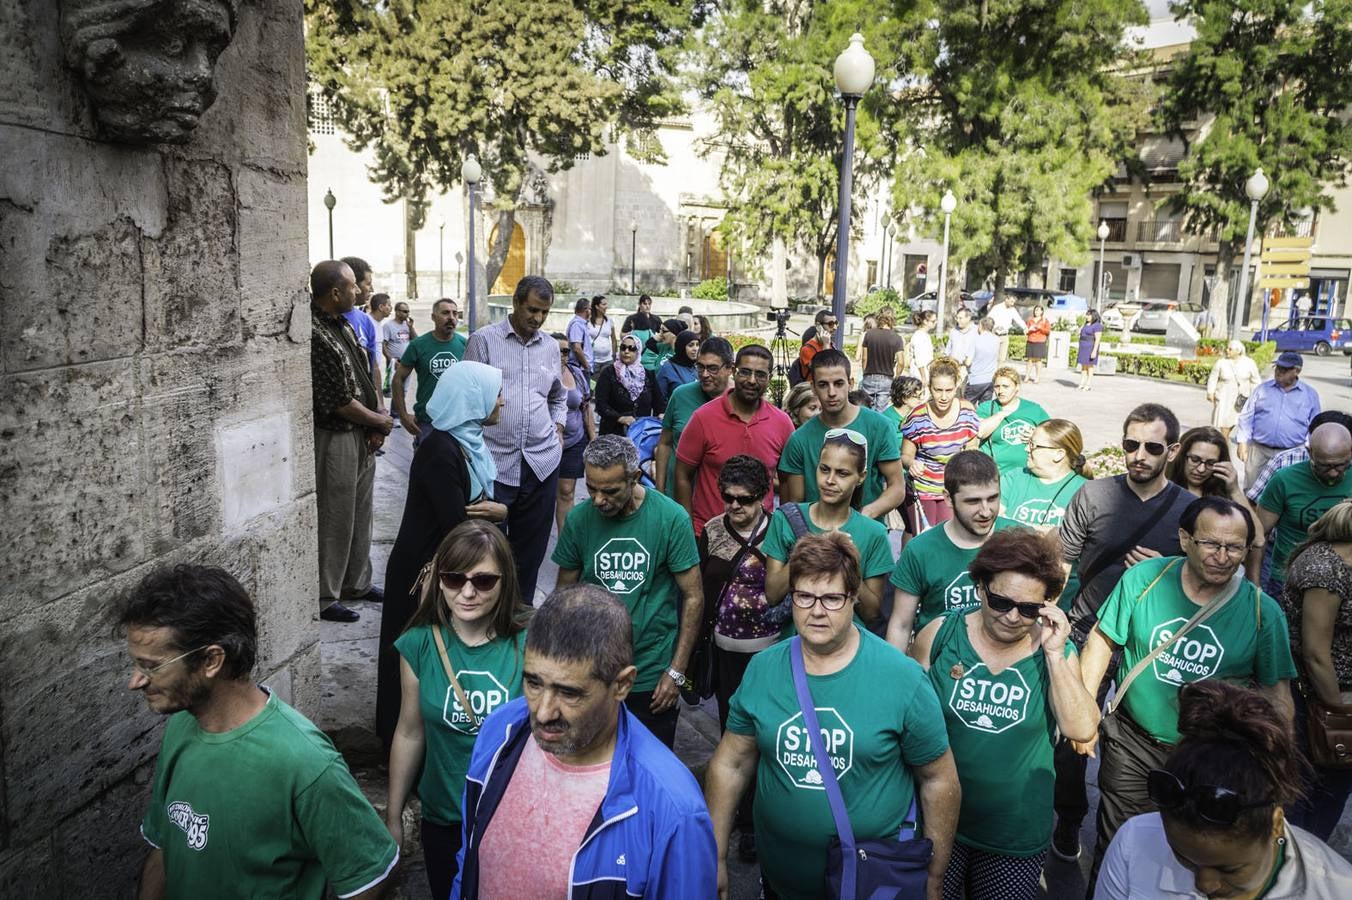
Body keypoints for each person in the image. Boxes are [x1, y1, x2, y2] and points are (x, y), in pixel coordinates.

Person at [704, 533, 962, 900]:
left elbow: (939, 780)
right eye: (804, 596)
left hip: (871, 885)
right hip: (779, 882)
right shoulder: (762, 669)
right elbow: (731, 764)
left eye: (832, 598)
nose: (817, 610)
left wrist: (934, 876)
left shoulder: (902, 678)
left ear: (854, 598)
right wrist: (714, 856)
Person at [123, 565, 398, 899]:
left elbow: (370, 877)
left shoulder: (305, 762)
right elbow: (165, 846)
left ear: (212, 660)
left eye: (152, 666)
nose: (135, 681)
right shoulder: (181, 726)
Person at [1078, 496, 1297, 887]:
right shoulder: (1144, 580)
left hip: (1211, 757)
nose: (1223, 557)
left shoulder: (1264, 613)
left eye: (1235, 548)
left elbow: (1277, 694)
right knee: (1119, 841)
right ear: (1184, 539)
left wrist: (1272, 767)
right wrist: (1084, 716)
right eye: (1211, 544)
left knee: (1195, 856)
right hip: (1133, 743)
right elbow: (1102, 642)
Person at [452, 584, 717, 898]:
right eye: (533, 683)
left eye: (569, 693)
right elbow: (467, 861)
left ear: (622, 684)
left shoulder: (674, 810)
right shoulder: (500, 731)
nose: (543, 712)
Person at [910, 529, 1100, 900]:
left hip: (1014, 837)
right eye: (1001, 602)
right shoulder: (940, 634)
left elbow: (1081, 728)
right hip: (939, 823)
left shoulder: (1054, 653)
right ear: (980, 587)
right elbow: (908, 724)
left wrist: (1056, 655)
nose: (1013, 617)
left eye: (1029, 609)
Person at [1049, 403, 1199, 860]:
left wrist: (1163, 568)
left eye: (1153, 447)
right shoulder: (1093, 496)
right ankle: (1071, 819)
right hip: (1087, 630)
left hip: (1150, 644)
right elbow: (1060, 566)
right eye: (1131, 444)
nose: (1140, 455)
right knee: (1073, 733)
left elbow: (1208, 574)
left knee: (1143, 738)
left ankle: (1144, 832)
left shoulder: (1190, 511)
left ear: (1171, 451)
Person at [1096, 680, 1352, 900]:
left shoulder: (1334, 890)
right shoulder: (1134, 843)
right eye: (1183, 858)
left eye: (1230, 869)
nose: (1204, 884)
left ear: (1276, 823)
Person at [386, 522, 528, 898]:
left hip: (510, 816)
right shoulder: (418, 644)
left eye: (483, 581)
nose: (466, 592)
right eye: (453, 579)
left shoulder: (528, 644)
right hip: (444, 817)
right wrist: (394, 814)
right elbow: (409, 731)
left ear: (505, 581)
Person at [377, 362, 507, 747]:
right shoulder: (440, 449)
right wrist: (498, 513)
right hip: (423, 572)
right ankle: (400, 750)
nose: (501, 401)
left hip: (446, 569)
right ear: (471, 398)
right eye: (494, 392)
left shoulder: (466, 443)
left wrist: (495, 511)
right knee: (414, 662)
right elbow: (455, 521)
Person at [553, 436, 703, 748]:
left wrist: (676, 672)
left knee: (647, 774)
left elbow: (693, 597)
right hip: (591, 673)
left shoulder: (671, 519)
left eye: (609, 490)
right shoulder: (580, 520)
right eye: (591, 488)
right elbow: (563, 597)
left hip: (650, 675)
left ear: (634, 477)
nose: (597, 500)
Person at [464, 275, 567, 607]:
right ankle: (487, 612)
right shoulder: (483, 341)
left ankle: (519, 615)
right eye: (532, 310)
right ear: (516, 303)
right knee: (487, 548)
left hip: (541, 463)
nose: (537, 319)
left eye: (544, 313)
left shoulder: (550, 347)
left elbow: (558, 397)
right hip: (493, 464)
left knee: (531, 551)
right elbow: (466, 398)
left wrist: (559, 427)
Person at [698, 455, 777, 863]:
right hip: (724, 651)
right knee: (733, 736)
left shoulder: (781, 532)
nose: (734, 507)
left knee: (766, 739)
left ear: (763, 497)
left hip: (770, 655)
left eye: (744, 500)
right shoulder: (712, 531)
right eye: (728, 498)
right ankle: (741, 820)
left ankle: (760, 820)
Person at [309, 260, 391, 624]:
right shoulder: (316, 333)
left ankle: (356, 582)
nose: (361, 291)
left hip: (362, 434)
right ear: (336, 292)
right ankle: (327, 596)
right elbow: (339, 400)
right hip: (337, 436)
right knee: (337, 516)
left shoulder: (343, 322)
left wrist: (377, 420)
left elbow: (368, 370)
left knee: (361, 512)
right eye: (355, 287)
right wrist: (380, 421)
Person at [764, 428, 898, 625]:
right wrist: (810, 548)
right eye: (824, 469)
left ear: (861, 477)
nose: (830, 480)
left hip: (849, 646)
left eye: (842, 473)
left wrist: (846, 560)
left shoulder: (874, 533)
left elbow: (871, 612)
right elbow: (773, 594)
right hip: (798, 643)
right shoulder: (785, 519)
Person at [887, 451, 1018, 645]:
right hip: (938, 662)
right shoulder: (920, 550)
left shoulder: (1019, 540)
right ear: (948, 499)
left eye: (992, 498)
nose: (985, 511)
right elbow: (901, 625)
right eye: (973, 501)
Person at [1282, 500, 1352, 840]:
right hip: (1317, 703)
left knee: (1332, 791)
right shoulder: (1325, 570)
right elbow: (1315, 654)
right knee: (1306, 794)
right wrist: (1340, 712)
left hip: (1335, 704)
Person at [675, 344, 794, 534]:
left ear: (769, 378)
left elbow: (788, 481)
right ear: (734, 371)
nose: (752, 380)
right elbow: (682, 474)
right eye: (745, 372)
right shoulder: (703, 418)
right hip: (708, 533)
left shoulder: (782, 423)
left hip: (761, 537)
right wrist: (687, 529)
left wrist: (784, 530)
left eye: (760, 374)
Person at [779, 349, 906, 523]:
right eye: (823, 385)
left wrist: (864, 517)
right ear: (813, 387)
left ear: (851, 383)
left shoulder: (880, 426)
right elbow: (795, 505)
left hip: (866, 536)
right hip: (816, 541)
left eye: (838, 383)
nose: (831, 392)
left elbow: (897, 487)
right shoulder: (799, 439)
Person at [1257, 421, 1352, 598]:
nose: (1333, 473)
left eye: (1341, 465)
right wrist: (1254, 585)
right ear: (1309, 453)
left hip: (1345, 579)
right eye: (1325, 466)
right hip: (1288, 579)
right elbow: (1259, 534)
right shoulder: (1285, 480)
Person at [901, 357, 981, 525]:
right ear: (929, 388)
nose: (944, 396)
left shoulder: (967, 411)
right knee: (925, 541)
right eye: (938, 390)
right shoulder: (917, 417)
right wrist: (912, 463)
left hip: (953, 486)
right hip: (923, 487)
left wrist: (968, 456)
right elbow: (905, 455)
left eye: (949, 390)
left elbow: (972, 444)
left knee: (947, 538)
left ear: (956, 387)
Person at [655, 337, 733, 495]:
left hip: (717, 500)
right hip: (675, 495)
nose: (704, 374)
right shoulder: (680, 395)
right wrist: (660, 491)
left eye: (712, 368)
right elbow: (664, 444)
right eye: (700, 367)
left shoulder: (739, 401)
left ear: (730, 368)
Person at [1236, 350, 1322, 487]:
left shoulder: (1309, 395)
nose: (1279, 372)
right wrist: (1242, 442)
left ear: (1297, 371)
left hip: (1291, 453)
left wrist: (1310, 449)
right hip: (1260, 451)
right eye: (1278, 367)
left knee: (1286, 493)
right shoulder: (1262, 390)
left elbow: (1315, 425)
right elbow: (1246, 416)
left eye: (1285, 369)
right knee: (1251, 492)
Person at [394, 298, 467, 443]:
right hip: (428, 423)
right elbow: (398, 379)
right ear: (433, 317)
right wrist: (403, 416)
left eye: (455, 314)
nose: (451, 318)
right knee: (427, 465)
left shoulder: (465, 344)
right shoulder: (418, 345)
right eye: (445, 313)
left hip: (459, 423)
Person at [1246, 410, 1352, 507]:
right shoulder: (1283, 461)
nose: (1333, 473)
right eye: (1324, 464)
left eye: (1340, 464)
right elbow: (1254, 503)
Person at [554, 333, 597, 536]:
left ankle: (565, 541)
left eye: (565, 351)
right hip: (546, 444)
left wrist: (593, 439)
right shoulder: (540, 373)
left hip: (575, 440)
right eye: (557, 351)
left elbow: (586, 407)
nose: (562, 355)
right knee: (544, 495)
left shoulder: (576, 374)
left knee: (567, 492)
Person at [975, 368, 1049, 472]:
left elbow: (1053, 436)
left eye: (1006, 386)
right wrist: (1001, 414)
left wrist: (1036, 436)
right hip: (994, 474)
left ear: (1017, 387)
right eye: (997, 387)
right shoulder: (987, 408)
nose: (1000, 391)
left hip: (1026, 473)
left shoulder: (1034, 409)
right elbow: (980, 432)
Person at [340, 255, 384, 412]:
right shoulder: (327, 320)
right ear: (352, 284)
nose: (371, 290)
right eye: (368, 284)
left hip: (368, 411)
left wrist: (380, 406)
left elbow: (374, 367)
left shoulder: (365, 320)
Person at [595, 334, 662, 434]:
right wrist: (620, 418)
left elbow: (659, 402)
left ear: (638, 351)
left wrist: (660, 415)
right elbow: (601, 404)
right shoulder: (608, 373)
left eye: (632, 348)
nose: (626, 351)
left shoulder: (647, 374)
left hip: (640, 433)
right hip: (613, 432)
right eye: (623, 347)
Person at [1205, 339, 1261, 439]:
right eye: (1227, 348)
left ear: (1238, 351)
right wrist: (1210, 392)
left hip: (1241, 399)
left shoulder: (1249, 363)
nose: (1227, 350)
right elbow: (1213, 377)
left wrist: (1254, 396)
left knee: (1234, 422)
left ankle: (1224, 445)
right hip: (1224, 397)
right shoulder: (1222, 362)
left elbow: (1256, 381)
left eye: (1230, 349)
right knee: (1224, 425)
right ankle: (1224, 446)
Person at [859, 305, 907, 411]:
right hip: (886, 378)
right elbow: (901, 362)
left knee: (865, 409)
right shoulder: (897, 338)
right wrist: (897, 376)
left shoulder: (869, 334)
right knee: (881, 411)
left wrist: (864, 372)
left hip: (869, 375)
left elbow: (864, 358)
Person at [380, 299, 415, 396]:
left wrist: (411, 327)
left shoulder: (407, 325)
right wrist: (391, 360)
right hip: (394, 363)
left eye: (408, 311)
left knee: (404, 391)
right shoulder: (388, 326)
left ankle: (399, 411)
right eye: (405, 311)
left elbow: (416, 340)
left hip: (407, 363)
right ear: (397, 312)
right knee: (393, 391)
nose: (407, 314)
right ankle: (395, 411)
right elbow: (383, 345)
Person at [794, 309, 837, 385]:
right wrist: (826, 345)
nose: (835, 327)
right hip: (813, 392)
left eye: (836, 323)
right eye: (831, 324)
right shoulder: (807, 349)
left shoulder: (831, 345)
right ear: (818, 326)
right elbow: (823, 370)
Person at [657, 329, 700, 401]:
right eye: (691, 345)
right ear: (681, 347)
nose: (695, 349)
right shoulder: (667, 368)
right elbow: (659, 398)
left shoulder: (699, 367)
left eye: (697, 345)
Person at [965, 317, 1000, 403]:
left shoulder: (975, 339)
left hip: (975, 380)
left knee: (967, 408)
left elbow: (968, 362)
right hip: (990, 380)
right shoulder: (996, 340)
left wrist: (963, 361)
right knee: (984, 409)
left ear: (980, 326)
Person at [944, 307, 977, 384]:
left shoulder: (976, 331)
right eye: (957, 317)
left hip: (969, 369)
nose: (957, 320)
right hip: (953, 367)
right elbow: (948, 349)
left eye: (960, 318)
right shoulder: (953, 331)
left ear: (968, 318)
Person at [989, 295, 1024, 364]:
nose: (1012, 304)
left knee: (1002, 359)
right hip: (995, 335)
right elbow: (989, 319)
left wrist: (1025, 328)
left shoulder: (1012, 310)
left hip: (1005, 336)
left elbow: (1019, 320)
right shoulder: (997, 308)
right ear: (1006, 299)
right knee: (993, 357)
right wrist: (993, 328)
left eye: (1013, 302)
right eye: (1011, 301)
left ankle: (999, 373)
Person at [565, 296, 593, 379]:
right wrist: (586, 366)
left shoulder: (582, 324)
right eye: (590, 309)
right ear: (586, 310)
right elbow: (577, 348)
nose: (591, 312)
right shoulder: (577, 325)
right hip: (580, 369)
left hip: (582, 368)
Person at [1023, 305, 1051, 383]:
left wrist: (1040, 328)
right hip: (1031, 340)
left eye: (1039, 310)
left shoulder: (1045, 320)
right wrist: (1029, 329)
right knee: (1030, 360)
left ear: (1042, 312)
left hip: (1040, 341)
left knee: (1038, 360)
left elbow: (1048, 331)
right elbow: (1026, 331)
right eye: (1036, 310)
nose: (1037, 312)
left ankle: (1037, 377)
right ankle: (1027, 376)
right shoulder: (1030, 320)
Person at [1076, 310, 1104, 391]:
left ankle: (1088, 384)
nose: (1087, 316)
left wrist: (1094, 350)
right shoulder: (1085, 324)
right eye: (1086, 315)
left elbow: (1097, 339)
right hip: (1083, 347)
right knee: (1083, 366)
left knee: (1089, 366)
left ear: (1093, 316)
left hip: (1090, 346)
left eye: (1089, 315)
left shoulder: (1097, 326)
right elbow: (1078, 333)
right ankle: (1082, 382)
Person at [590, 294, 617, 375]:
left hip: (608, 360)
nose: (606, 306)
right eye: (604, 304)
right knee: (593, 385)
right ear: (597, 306)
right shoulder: (588, 321)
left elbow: (614, 339)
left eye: (606, 304)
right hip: (593, 360)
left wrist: (614, 354)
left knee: (606, 384)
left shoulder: (609, 321)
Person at [909, 309, 937, 382]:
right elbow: (919, 359)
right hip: (919, 375)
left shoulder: (926, 335)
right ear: (925, 321)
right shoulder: (919, 336)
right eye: (933, 321)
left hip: (926, 372)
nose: (935, 323)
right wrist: (923, 378)